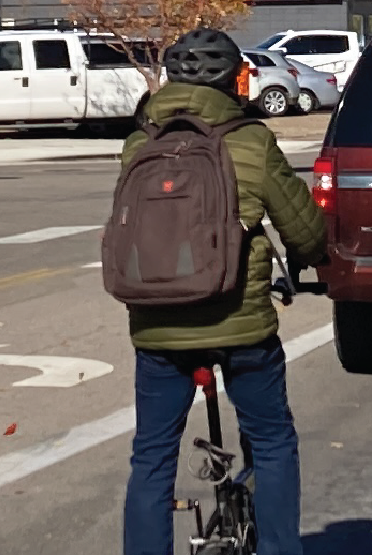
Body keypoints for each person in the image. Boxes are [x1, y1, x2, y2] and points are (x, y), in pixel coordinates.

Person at [122, 28, 330, 555]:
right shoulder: (251, 139)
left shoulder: (139, 141)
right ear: (230, 80)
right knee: (273, 441)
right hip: (240, 322)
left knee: (151, 457)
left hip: (158, 324)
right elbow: (302, 228)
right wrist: (310, 258)